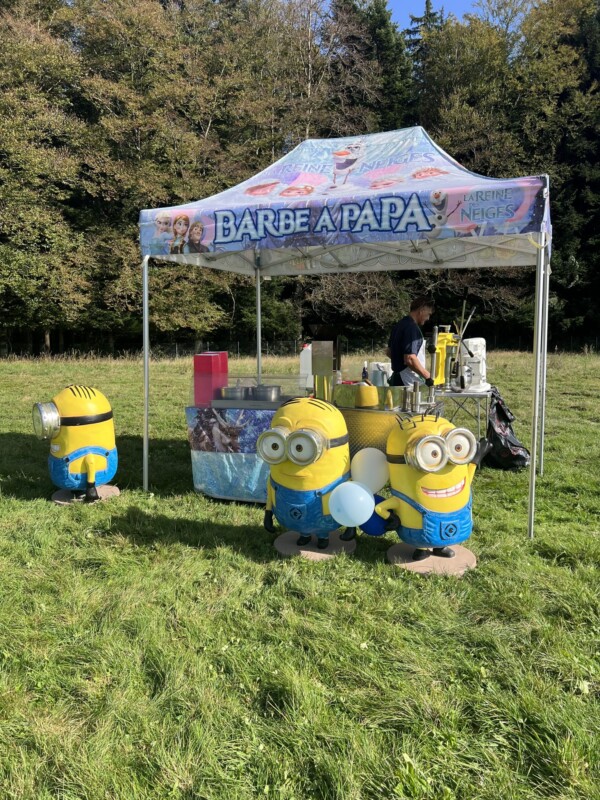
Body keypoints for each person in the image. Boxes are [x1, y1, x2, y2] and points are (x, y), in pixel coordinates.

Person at [387, 296, 435, 387]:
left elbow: (389, 351)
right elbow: (410, 358)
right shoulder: (411, 328)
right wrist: (427, 376)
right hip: (407, 381)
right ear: (422, 310)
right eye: (428, 314)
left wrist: (399, 364)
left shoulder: (400, 324)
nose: (428, 318)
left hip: (397, 378)